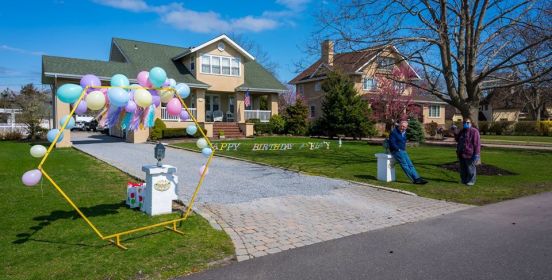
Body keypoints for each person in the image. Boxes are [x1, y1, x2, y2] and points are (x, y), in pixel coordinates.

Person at [453, 118, 481, 186]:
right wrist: (454, 130)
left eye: (468, 123)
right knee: (463, 169)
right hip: (461, 153)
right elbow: (457, 139)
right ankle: (464, 180)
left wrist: (477, 154)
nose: (466, 124)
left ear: (470, 123)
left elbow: (477, 144)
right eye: (465, 123)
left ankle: (471, 181)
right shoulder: (462, 131)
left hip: (470, 154)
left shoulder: (474, 131)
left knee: (470, 168)